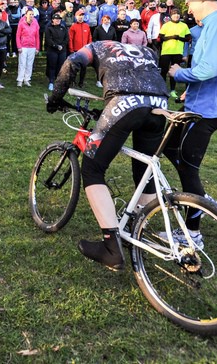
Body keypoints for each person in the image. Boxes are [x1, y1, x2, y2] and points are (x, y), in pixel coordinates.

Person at [46, 41, 169, 270]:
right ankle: (140, 230)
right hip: (159, 103)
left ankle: (111, 248)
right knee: (144, 170)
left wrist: (55, 98)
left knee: (93, 169)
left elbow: (72, 62)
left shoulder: (96, 46)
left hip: (124, 102)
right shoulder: (146, 50)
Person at [166, 0, 217, 247]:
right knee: (170, 145)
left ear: (202, 0)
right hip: (200, 103)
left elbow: (211, 68)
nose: (189, 10)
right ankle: (199, 197)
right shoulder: (213, 24)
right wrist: (192, 91)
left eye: (190, 5)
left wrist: (180, 74)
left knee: (188, 165)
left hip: (208, 110)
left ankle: (192, 233)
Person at [158, 10, 191, 99]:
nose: (176, 16)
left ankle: (172, 90)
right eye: (174, 14)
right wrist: (172, 37)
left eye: (177, 14)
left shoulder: (184, 25)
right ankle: (162, 89)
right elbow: (161, 38)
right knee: (164, 71)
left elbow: (188, 38)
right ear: (171, 16)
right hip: (166, 51)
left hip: (178, 51)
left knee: (174, 71)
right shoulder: (166, 25)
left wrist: (179, 38)